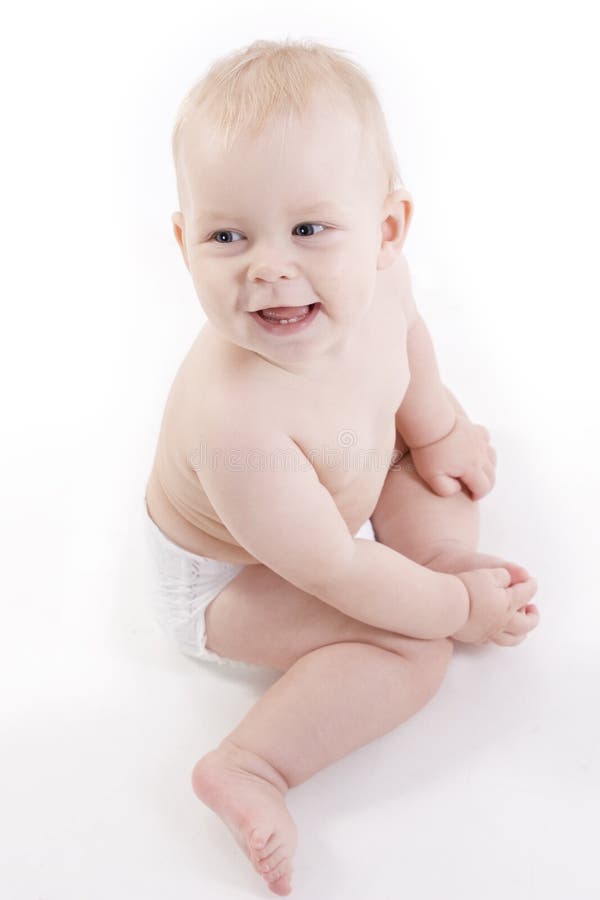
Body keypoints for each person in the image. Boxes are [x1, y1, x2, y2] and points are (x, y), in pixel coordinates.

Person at [144, 38, 539, 896]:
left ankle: (429, 556)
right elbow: (335, 566)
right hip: (235, 577)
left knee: (433, 476)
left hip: (334, 493)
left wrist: (435, 428)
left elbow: (410, 354)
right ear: (183, 243)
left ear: (387, 232)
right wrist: (451, 607)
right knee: (411, 651)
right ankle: (251, 765)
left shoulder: (381, 286)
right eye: (227, 234)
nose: (270, 267)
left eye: (310, 229)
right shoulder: (234, 420)